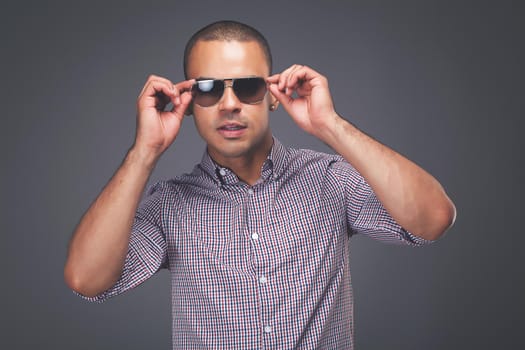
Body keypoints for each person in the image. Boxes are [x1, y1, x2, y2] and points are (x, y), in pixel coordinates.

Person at [64, 20, 456, 349]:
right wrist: (144, 151)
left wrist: (330, 126)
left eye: (248, 86)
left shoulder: (329, 180)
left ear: (272, 96)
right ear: (188, 102)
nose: (229, 103)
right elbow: (87, 280)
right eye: (208, 88)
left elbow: (433, 219)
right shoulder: (170, 204)